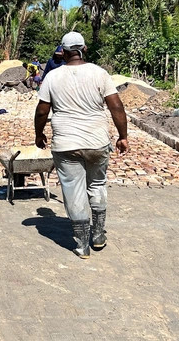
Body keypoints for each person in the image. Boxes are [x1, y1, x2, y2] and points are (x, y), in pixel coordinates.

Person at [34, 32, 129, 258]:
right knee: (97, 184)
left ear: (64, 53)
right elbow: (116, 106)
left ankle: (81, 244)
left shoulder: (53, 77)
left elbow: (41, 110)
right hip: (97, 141)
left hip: (66, 144)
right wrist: (122, 135)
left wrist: (39, 134)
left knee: (73, 190)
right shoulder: (100, 73)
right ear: (84, 49)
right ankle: (97, 235)